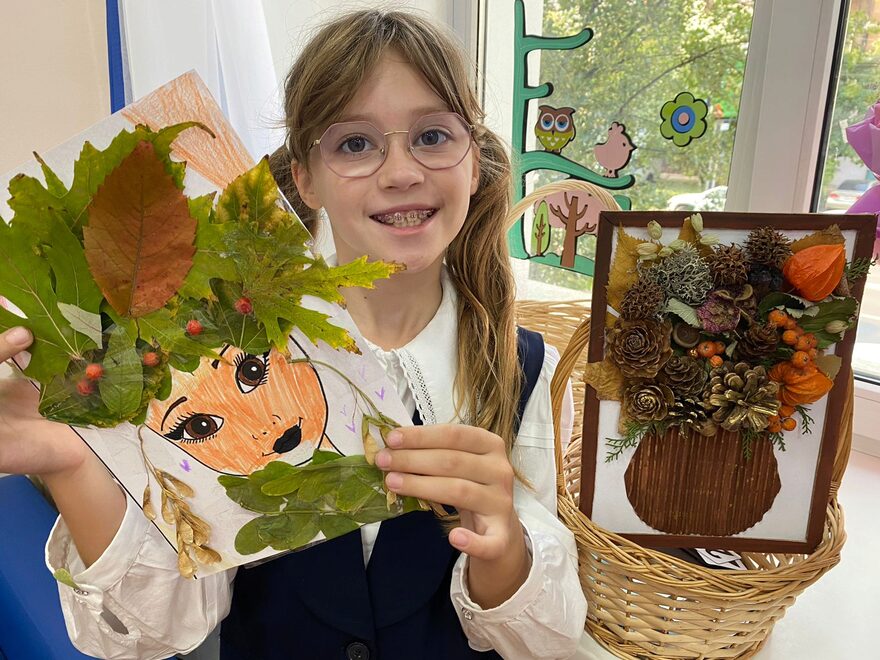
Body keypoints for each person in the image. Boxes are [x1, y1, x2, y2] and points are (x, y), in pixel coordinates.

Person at [0, 9, 586, 659]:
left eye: (433, 135)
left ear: (473, 164)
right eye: (355, 144)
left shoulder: (529, 369)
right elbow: (156, 632)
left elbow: (546, 641)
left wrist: (502, 546)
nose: (400, 172)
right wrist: (73, 464)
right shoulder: (220, 352)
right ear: (305, 178)